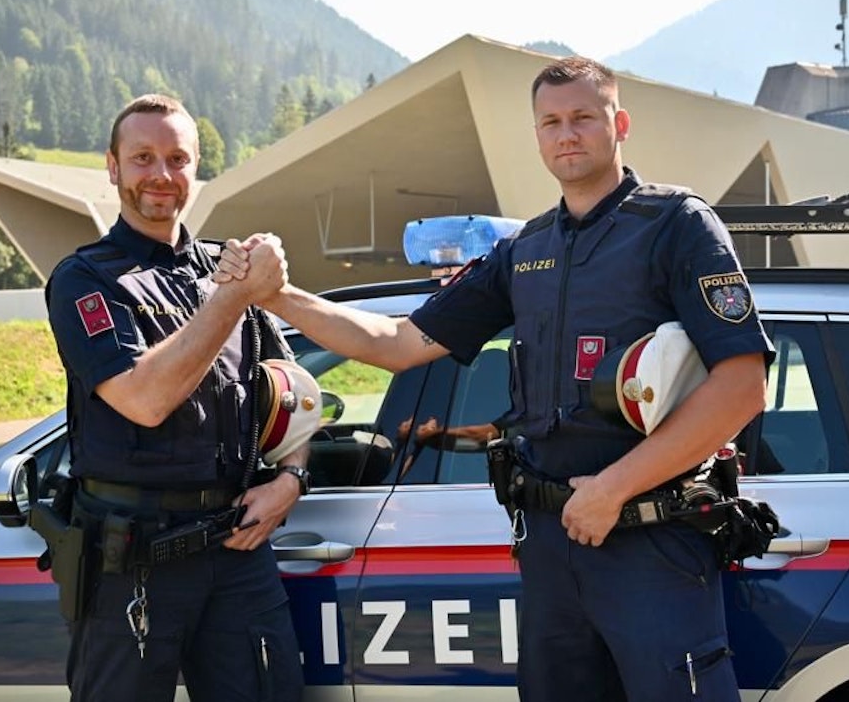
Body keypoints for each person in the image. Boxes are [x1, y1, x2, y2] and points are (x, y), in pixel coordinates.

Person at [223, 56, 773, 701]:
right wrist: (278, 295)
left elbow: (743, 385)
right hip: (550, 543)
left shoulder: (675, 225)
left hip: (650, 537)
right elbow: (397, 343)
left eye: (583, 117)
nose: (567, 134)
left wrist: (613, 489)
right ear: (536, 136)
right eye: (551, 122)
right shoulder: (525, 250)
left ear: (619, 124)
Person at [44, 94, 308, 702]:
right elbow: (144, 399)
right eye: (143, 157)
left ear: (195, 168)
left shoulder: (223, 267)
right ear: (112, 166)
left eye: (177, 158)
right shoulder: (86, 280)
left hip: (238, 549)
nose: (161, 174)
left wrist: (291, 479)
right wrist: (234, 295)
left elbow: (295, 392)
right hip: (132, 562)